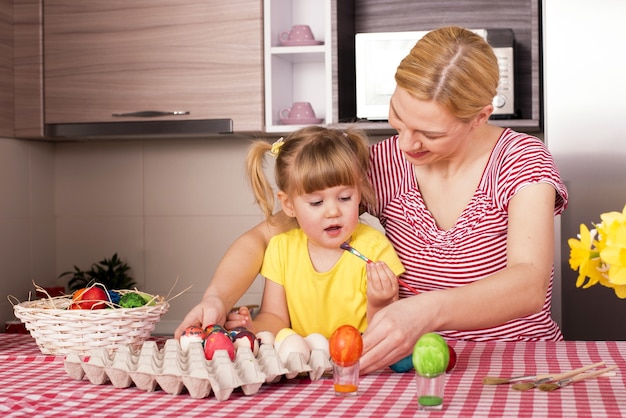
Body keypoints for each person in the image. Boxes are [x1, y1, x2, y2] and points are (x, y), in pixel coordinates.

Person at [175, 26, 568, 374]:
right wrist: (216, 298)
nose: (408, 143)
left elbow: (528, 282)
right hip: (410, 364)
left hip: (516, 362)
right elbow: (263, 237)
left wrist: (427, 310)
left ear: (480, 117)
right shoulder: (383, 164)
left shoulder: (522, 160)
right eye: (398, 117)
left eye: (429, 134)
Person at [224, 126, 405, 338]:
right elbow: (275, 317)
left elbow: (386, 330)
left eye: (345, 198)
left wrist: (380, 303)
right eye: (317, 202)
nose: (333, 211)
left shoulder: (375, 249)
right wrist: (253, 328)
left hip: (359, 365)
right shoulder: (281, 250)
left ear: (358, 193)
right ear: (288, 204)